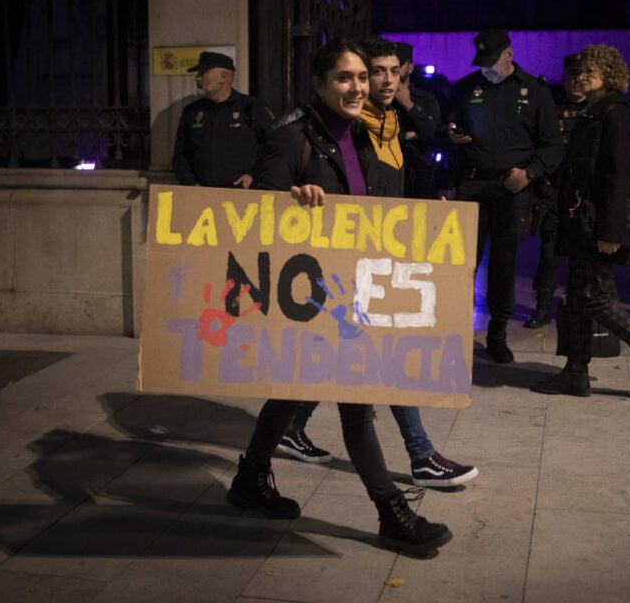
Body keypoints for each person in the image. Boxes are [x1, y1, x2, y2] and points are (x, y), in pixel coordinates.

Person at [228, 38, 451, 558]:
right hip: (310, 293)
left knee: (290, 391)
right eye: (345, 78)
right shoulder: (292, 138)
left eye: (361, 78)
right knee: (356, 405)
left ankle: (250, 478)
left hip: (350, 288)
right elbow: (255, 215)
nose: (357, 87)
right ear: (320, 85)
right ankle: (391, 511)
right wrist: (292, 198)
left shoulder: (359, 136)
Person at [277, 37, 477, 490]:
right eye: (370, 73)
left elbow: (394, 185)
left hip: (382, 253)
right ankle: (421, 455)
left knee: (344, 355)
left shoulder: (388, 121)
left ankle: (286, 429)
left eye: (388, 73)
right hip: (346, 260)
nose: (379, 82)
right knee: (378, 355)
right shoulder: (347, 127)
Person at [531, 45, 630, 400]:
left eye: (592, 71)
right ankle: (575, 372)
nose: (582, 76)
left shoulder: (614, 113)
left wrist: (611, 232)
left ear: (610, 74)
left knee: (593, 297)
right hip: (580, 221)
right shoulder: (592, 112)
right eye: (580, 71)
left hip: (598, 223)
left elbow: (619, 176)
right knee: (576, 298)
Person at [447, 28, 563, 362]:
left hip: (513, 190)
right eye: (481, 61)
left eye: (492, 60)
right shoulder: (466, 88)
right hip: (471, 186)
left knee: (503, 262)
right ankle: (456, 330)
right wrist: (451, 134)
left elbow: (553, 146)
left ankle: (497, 332)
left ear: (509, 53)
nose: (487, 68)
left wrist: (529, 174)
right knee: (463, 261)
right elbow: (450, 125)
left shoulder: (535, 92)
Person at [524, 54, 586, 329]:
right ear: (564, 77)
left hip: (583, 194)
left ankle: (578, 307)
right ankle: (542, 307)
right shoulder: (551, 106)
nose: (576, 81)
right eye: (572, 75)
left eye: (581, 75)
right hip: (554, 190)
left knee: (581, 255)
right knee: (549, 252)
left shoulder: (598, 109)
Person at [172, 51, 274, 189]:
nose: (197, 78)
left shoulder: (251, 107)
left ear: (223, 77)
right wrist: (190, 183)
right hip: (201, 195)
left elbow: (274, 147)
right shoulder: (192, 112)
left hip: (241, 195)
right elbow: (180, 155)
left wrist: (253, 175)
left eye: (203, 73)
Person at [391, 41, 442, 199]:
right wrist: (410, 135)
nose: (394, 71)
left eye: (398, 66)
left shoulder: (425, 99)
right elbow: (380, 135)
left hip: (419, 173)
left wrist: (408, 104)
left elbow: (433, 132)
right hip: (389, 171)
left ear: (410, 67)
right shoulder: (383, 100)